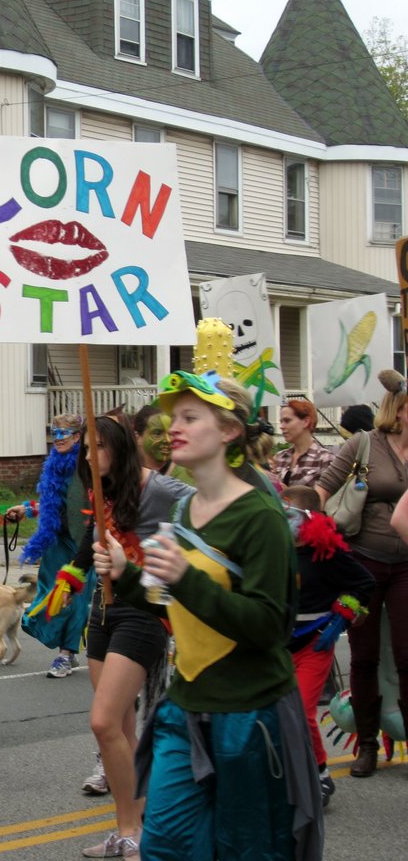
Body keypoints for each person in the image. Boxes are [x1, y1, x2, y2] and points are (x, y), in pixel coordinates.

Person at [95, 371, 322, 861]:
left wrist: (184, 579)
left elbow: (268, 627)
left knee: (248, 850)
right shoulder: (183, 512)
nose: (173, 427)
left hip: (250, 713)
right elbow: (172, 604)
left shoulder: (260, 517)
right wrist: (126, 575)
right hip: (185, 707)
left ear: (229, 431)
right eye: (172, 418)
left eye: (190, 417)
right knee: (166, 846)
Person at [75, 414, 192, 858]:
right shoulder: (100, 489)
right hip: (101, 610)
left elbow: (206, 504)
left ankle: (133, 831)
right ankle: (136, 825)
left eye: (98, 446)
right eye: (85, 447)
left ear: (120, 446)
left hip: (142, 612)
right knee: (119, 728)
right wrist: (70, 577)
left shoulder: (157, 487)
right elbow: (91, 541)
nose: (89, 455)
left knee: (103, 721)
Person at [316, 368, 408, 778]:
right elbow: (322, 490)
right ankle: (367, 745)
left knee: (407, 655)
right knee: (365, 654)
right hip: (364, 563)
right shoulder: (365, 443)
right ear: (399, 410)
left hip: (406, 564)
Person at [280, 485, 373, 807]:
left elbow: (364, 583)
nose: (284, 520)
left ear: (310, 517)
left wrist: (344, 612)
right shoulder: (277, 551)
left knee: (301, 711)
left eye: (290, 514)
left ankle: (320, 774)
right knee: (277, 712)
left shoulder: (327, 554)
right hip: (279, 645)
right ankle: (287, 774)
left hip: (315, 644)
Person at [6, 414, 89, 679]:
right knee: (50, 594)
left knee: (74, 597)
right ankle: (68, 649)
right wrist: (27, 509)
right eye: (55, 433)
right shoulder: (54, 463)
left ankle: (65, 654)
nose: (58, 438)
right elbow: (54, 504)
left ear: (77, 437)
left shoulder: (85, 466)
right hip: (57, 541)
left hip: (81, 541)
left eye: (64, 433)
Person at [271, 399, 334, 488]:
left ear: (306, 422)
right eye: (281, 421)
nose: (281, 426)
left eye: (287, 421)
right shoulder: (279, 457)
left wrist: (288, 492)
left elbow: (327, 494)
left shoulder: (325, 459)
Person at [133, 404, 192, 485]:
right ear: (137, 438)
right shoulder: (125, 474)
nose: (167, 440)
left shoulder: (189, 475)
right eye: (157, 433)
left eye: (171, 434)